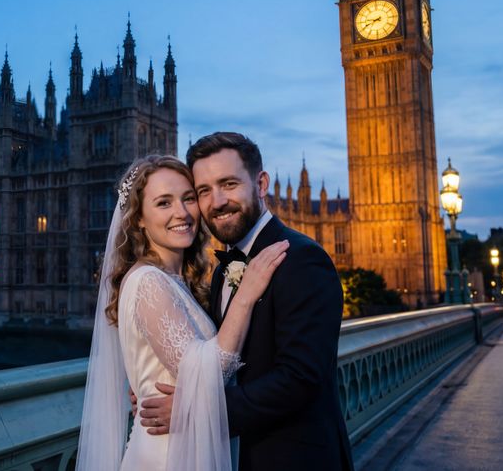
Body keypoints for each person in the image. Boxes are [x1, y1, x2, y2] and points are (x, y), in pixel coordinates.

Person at [139, 132, 354, 470]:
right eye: (204, 191)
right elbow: (219, 356)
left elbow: (300, 379)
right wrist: (157, 385)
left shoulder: (302, 258)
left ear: (261, 183)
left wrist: (195, 411)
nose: (217, 201)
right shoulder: (223, 269)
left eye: (229, 184)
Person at [77, 155, 288, 470]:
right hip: (166, 456)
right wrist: (246, 294)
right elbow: (211, 371)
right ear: (138, 220)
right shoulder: (148, 281)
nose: (182, 212)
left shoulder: (174, 280)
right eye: (164, 203)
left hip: (185, 448)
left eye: (188, 198)